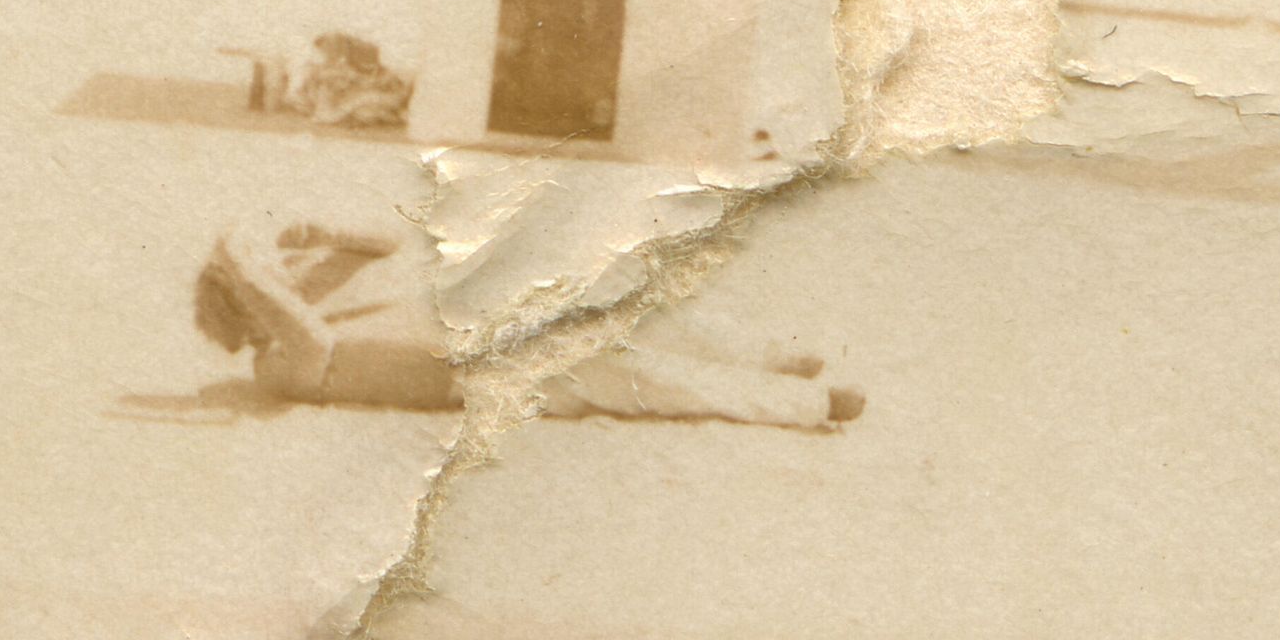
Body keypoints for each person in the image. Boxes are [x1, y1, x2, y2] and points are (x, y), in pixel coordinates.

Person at [194, 214, 863, 428]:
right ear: (251, 310)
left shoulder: (318, 303)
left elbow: (383, 245)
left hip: (496, 330)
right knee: (641, 375)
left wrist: (326, 231)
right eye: (265, 281)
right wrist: (249, 274)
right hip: (495, 377)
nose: (285, 275)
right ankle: (804, 403)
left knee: (627, 313)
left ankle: (770, 358)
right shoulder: (279, 363)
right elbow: (308, 336)